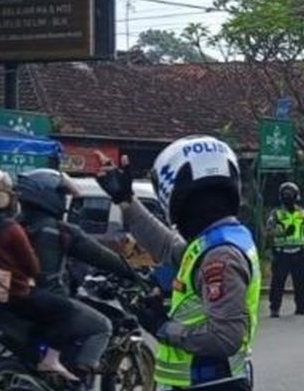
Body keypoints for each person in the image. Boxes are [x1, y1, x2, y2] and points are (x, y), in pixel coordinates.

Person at [95, 137, 260, 391]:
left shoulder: (221, 255)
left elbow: (225, 338)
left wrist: (164, 327)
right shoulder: (216, 240)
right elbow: (166, 246)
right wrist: (126, 200)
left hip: (209, 383)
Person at [0, 167, 85, 383]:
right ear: (0, 195)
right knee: (65, 309)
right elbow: (32, 267)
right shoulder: (9, 228)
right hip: (12, 294)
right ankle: (51, 359)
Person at [16, 168, 137, 382]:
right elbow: (101, 256)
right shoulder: (59, 230)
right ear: (47, 195)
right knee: (102, 326)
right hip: (50, 301)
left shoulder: (12, 226)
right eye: (61, 194)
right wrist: (133, 273)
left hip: (15, 300)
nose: (64, 200)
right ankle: (79, 379)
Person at [266, 182, 304, 318]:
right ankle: (274, 308)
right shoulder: (276, 213)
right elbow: (268, 232)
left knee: (301, 282)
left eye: (290, 194)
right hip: (282, 253)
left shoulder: (302, 213)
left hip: (299, 251)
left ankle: (301, 306)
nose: (288, 196)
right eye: (285, 194)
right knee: (278, 282)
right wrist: (283, 232)